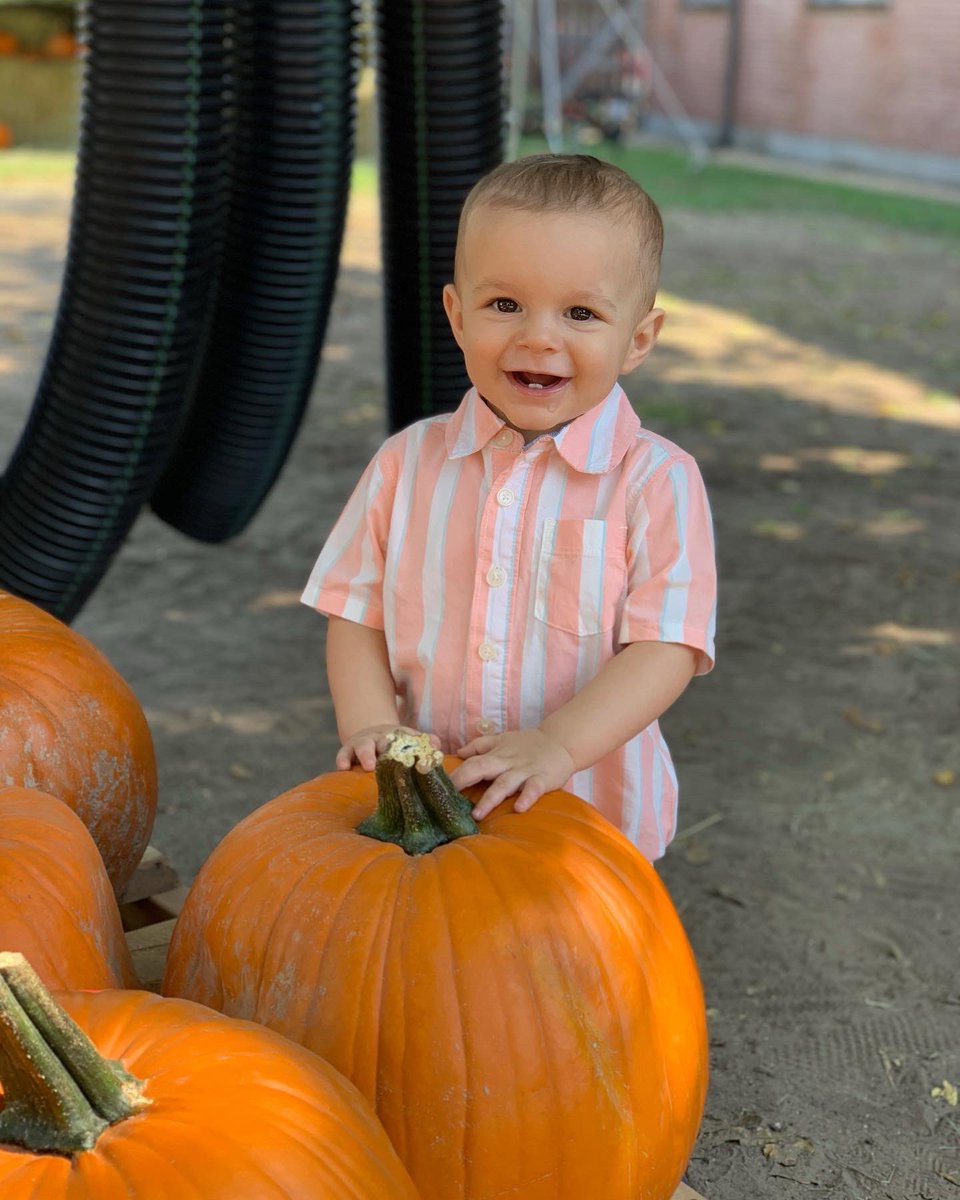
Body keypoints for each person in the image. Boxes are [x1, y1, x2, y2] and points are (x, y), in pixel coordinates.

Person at [301, 153, 716, 860]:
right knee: (432, 959)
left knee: (574, 966)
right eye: (505, 305)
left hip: (585, 815)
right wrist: (370, 724)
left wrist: (558, 745)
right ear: (457, 317)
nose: (538, 337)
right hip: (431, 809)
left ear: (638, 339)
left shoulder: (657, 482)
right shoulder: (406, 465)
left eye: (581, 313)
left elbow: (666, 646)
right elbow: (354, 614)